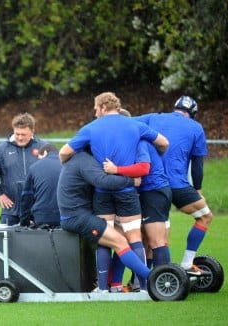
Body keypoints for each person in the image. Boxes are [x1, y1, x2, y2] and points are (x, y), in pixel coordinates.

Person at [58, 92, 169, 292]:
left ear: (102, 107)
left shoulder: (91, 128)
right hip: (127, 190)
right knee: (134, 237)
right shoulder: (135, 125)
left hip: (102, 192)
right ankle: (144, 288)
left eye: (95, 108)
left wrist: (67, 168)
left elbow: (64, 152)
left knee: (106, 238)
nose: (94, 112)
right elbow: (163, 142)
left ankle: (105, 289)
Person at [134, 95, 212, 275]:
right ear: (192, 113)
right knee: (205, 217)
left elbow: (126, 124)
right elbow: (197, 165)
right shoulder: (196, 127)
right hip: (178, 186)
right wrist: (197, 190)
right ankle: (186, 264)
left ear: (175, 107)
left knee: (154, 236)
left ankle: (143, 280)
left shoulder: (153, 118)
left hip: (153, 185)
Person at [57, 147, 152, 293]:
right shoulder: (84, 161)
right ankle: (152, 278)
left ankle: (109, 287)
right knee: (120, 242)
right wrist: (131, 182)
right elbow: (102, 181)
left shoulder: (79, 159)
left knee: (119, 241)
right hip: (77, 218)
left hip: (76, 216)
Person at [103, 108, 172, 292]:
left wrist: (116, 170)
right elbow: (163, 146)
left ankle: (164, 285)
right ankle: (131, 283)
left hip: (154, 191)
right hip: (152, 191)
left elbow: (143, 169)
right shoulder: (138, 138)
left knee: (155, 241)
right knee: (136, 237)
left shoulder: (138, 140)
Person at [0, 113, 47, 225]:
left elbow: (55, 172)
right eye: (17, 134)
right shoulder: (1, 150)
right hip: (11, 211)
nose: (20, 138)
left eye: (24, 134)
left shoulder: (44, 148)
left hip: (38, 210)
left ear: (32, 132)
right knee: (7, 242)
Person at [20, 143, 61, 228]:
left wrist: (24, 221)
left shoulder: (34, 168)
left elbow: (27, 197)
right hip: (66, 216)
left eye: (39, 158)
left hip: (42, 217)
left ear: (45, 153)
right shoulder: (69, 165)